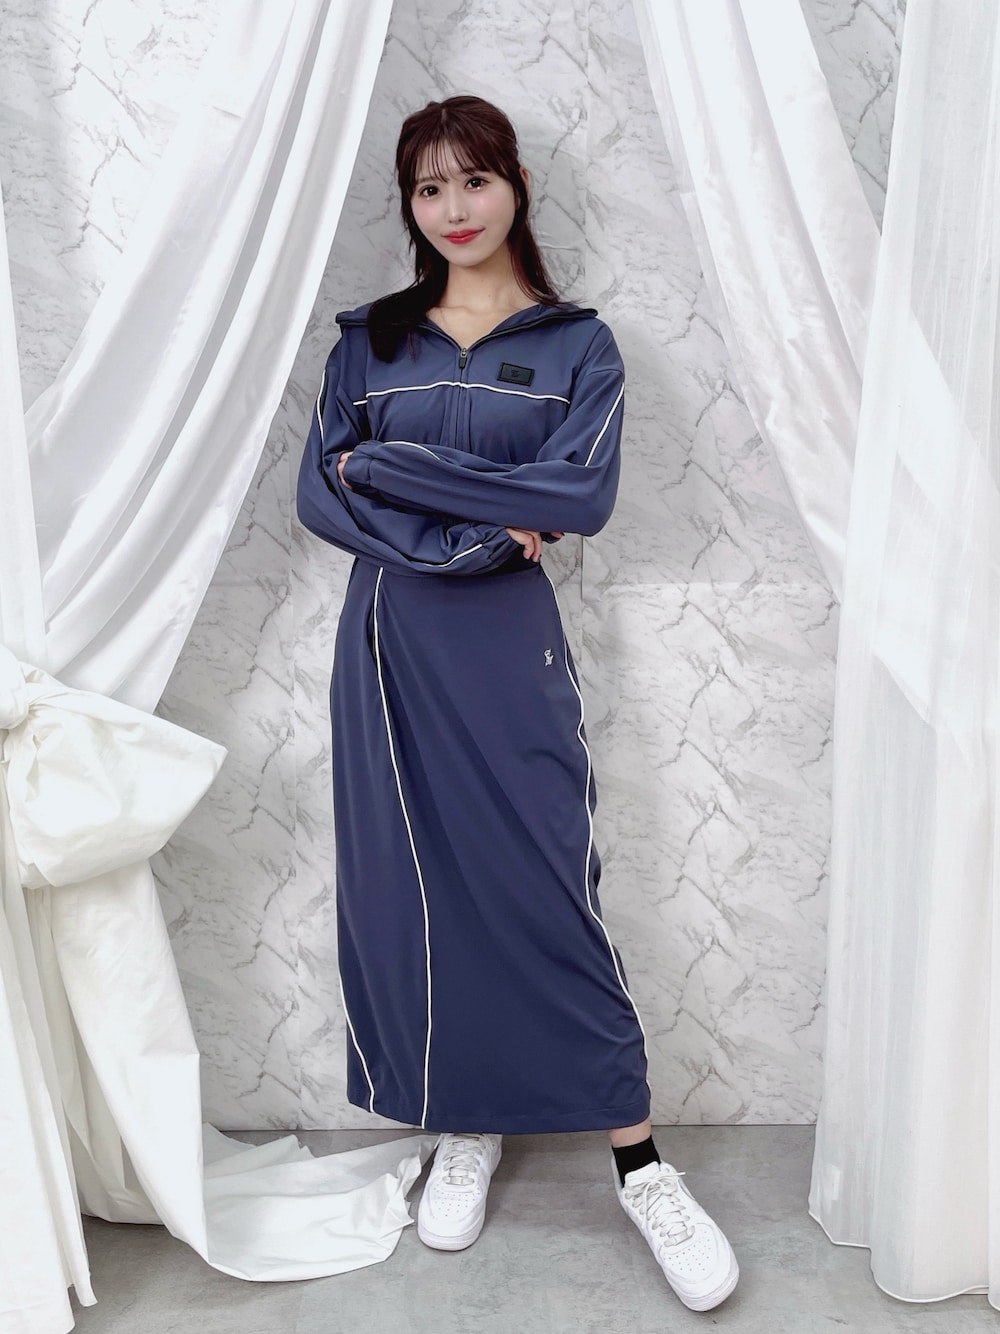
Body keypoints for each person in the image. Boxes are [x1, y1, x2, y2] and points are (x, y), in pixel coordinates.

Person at [296, 94, 738, 1313]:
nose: (454, 208)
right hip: (388, 642)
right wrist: (484, 523)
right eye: (429, 187)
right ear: (410, 203)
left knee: (548, 882)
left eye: (474, 179)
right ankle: (468, 1120)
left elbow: (578, 497)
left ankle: (640, 1163)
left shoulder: (576, 347)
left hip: (506, 643)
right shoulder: (369, 344)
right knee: (419, 886)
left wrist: (388, 466)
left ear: (517, 185)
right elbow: (321, 496)